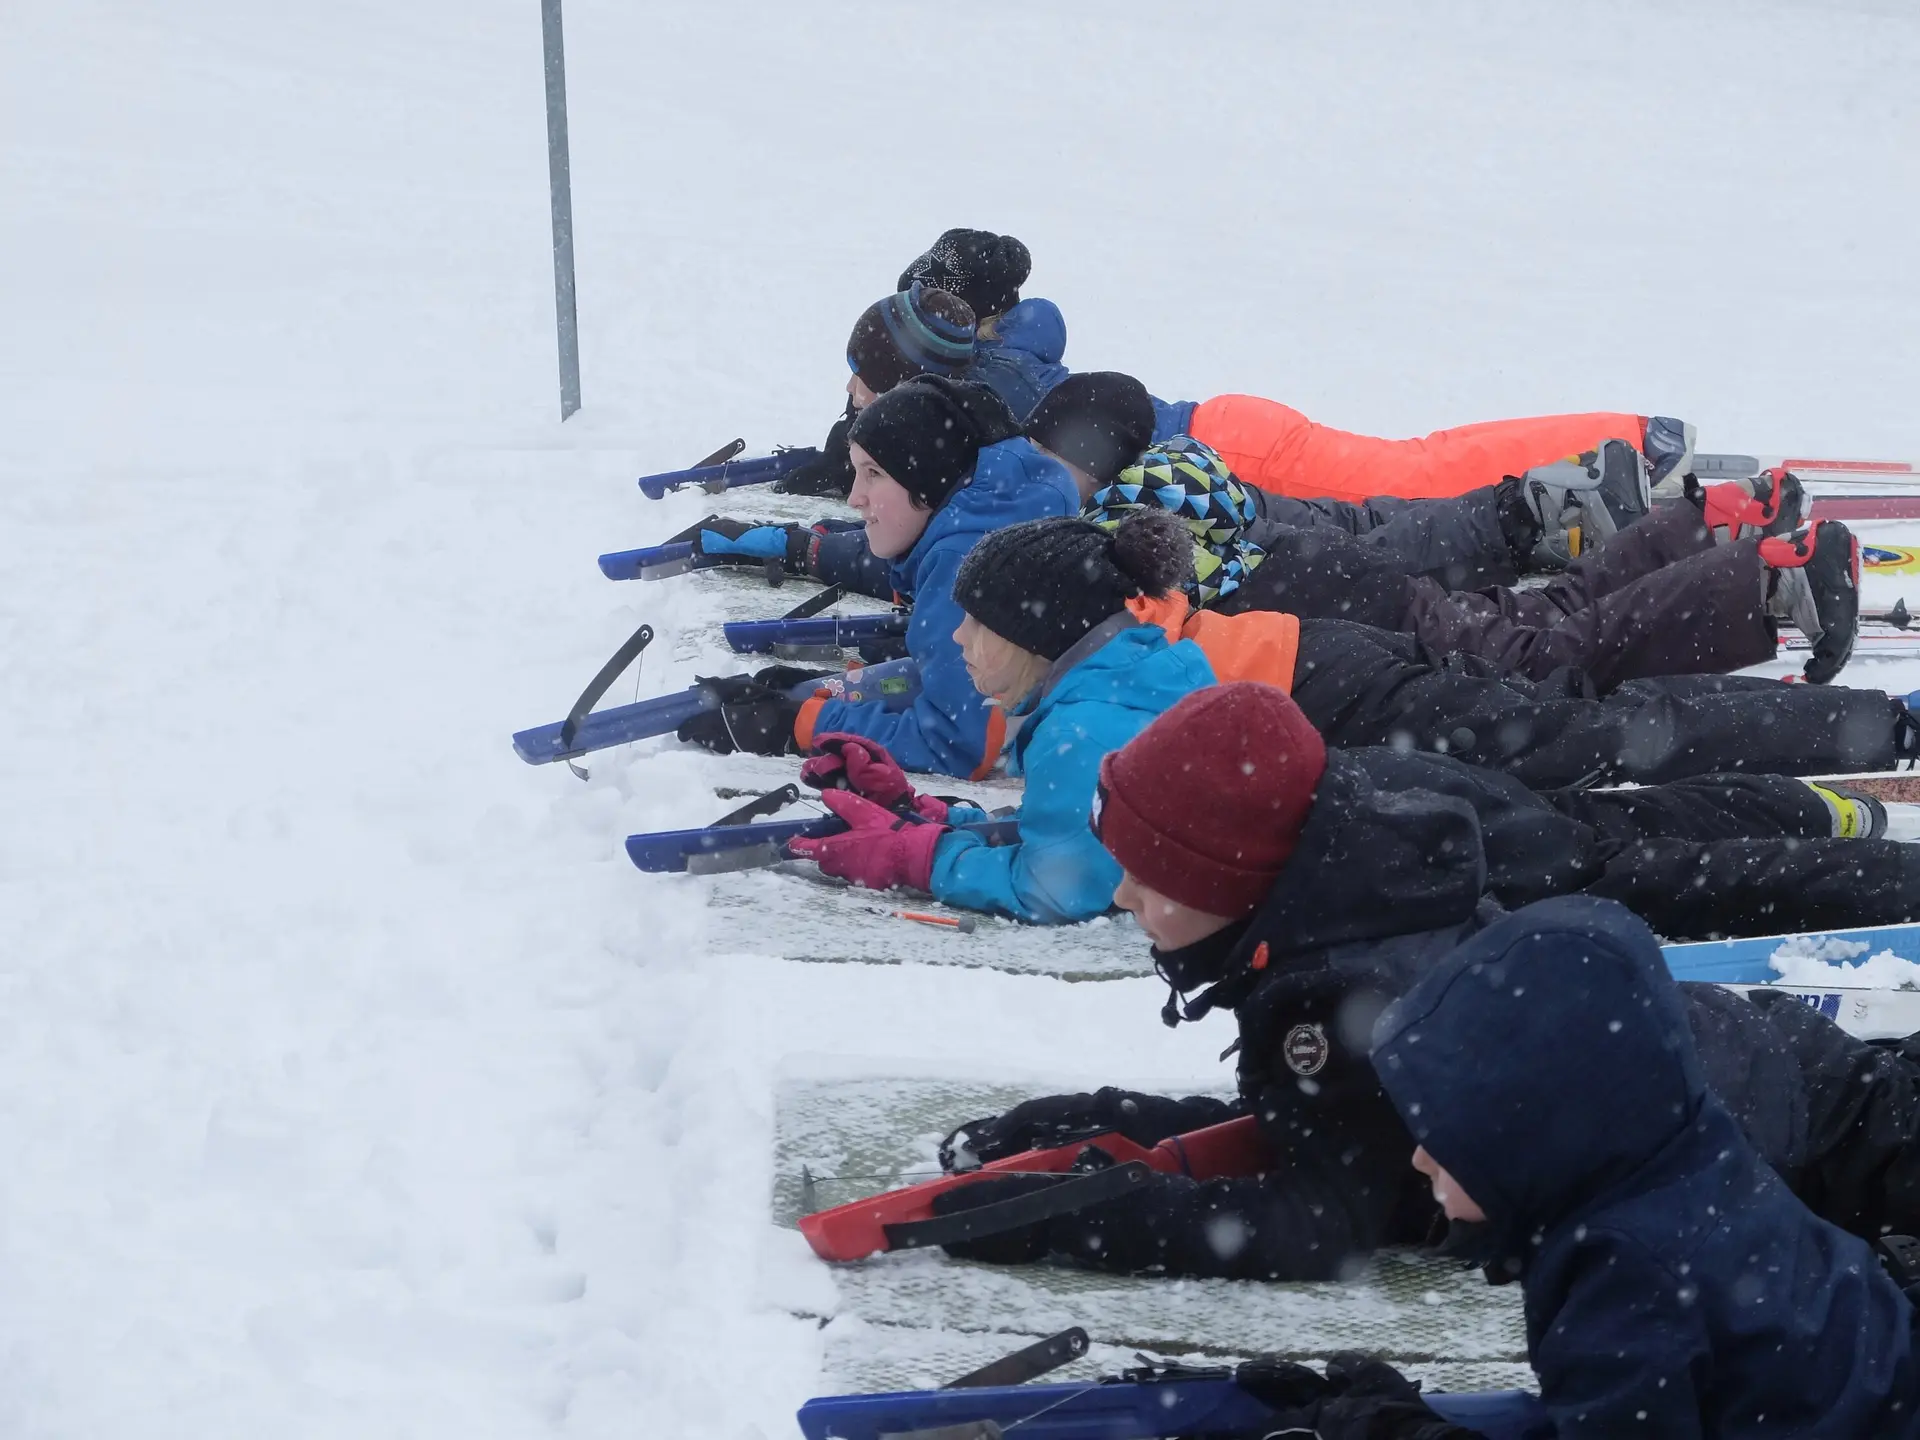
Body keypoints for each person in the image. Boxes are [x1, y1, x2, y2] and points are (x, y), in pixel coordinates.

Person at [922, 682, 1920, 1283]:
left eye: (1153, 876)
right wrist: (1114, 1121)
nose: (1125, 897)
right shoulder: (1342, 912)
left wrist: (1088, 1217)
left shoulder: (1339, 987)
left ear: (1231, 883)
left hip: (1788, 1139)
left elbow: (1323, 1224)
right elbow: (1349, 1139)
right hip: (1764, 1083)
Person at [784, 516, 1916, 921]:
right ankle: (1820, 777)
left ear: (1036, 632)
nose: (956, 647)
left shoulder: (1083, 716)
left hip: (1351, 718)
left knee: (1592, 733)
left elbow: (1065, 881)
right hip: (1346, 704)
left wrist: (917, 853)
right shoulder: (1097, 682)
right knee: (1582, 726)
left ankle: (1863, 729)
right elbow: (1088, 830)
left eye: (974, 628)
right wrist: (930, 815)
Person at [1361, 898, 1920, 1439]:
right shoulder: (1694, 1166)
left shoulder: (1625, 1294)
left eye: (1442, 1136)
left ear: (1531, 1138)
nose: (1419, 1158)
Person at [1031, 373, 1859, 688]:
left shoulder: (1121, 526)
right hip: (1338, 584)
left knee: (1544, 655)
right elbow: (1352, 522)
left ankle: (1770, 577)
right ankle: (1712, 522)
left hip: (1333, 607)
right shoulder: (1184, 477)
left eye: (1046, 459)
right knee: (1539, 621)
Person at [673, 377, 1078, 779]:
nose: (854, 497)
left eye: (874, 473)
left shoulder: (962, 564)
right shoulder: (990, 519)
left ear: (927, 480)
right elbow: (953, 689)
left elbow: (955, 746)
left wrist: (799, 724)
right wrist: (818, 693)